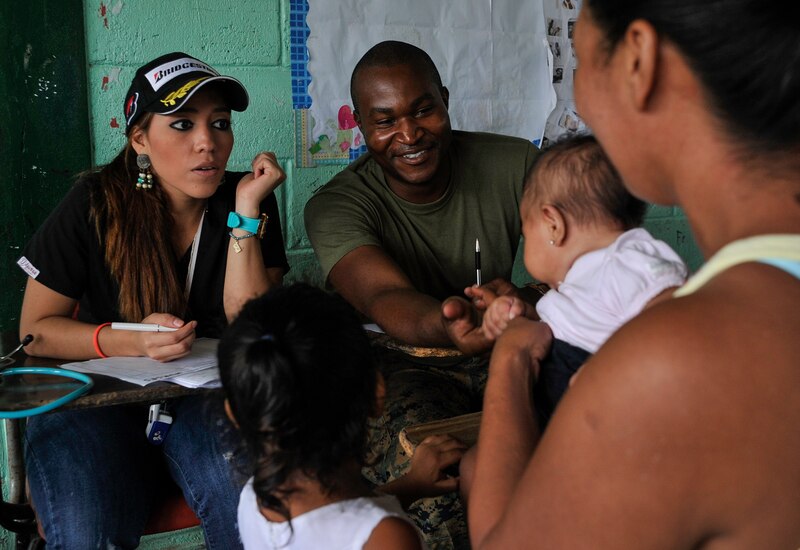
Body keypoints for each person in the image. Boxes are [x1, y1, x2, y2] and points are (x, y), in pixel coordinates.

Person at [469, 1, 800, 548]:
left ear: (639, 61)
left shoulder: (671, 365)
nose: (581, 97)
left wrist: (511, 362)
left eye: (583, 64)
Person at [16, 51, 289, 548]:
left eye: (220, 123)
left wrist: (246, 211)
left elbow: (251, 321)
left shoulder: (248, 197)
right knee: (85, 532)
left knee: (251, 516)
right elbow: (36, 331)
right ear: (140, 139)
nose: (207, 142)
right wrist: (132, 341)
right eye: (182, 124)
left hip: (203, 398)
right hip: (91, 400)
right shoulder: (93, 203)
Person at [304, 40, 539, 548]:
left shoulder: (515, 162)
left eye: (424, 110)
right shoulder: (336, 206)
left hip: (502, 343)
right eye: (385, 121)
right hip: (401, 364)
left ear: (446, 100)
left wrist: (518, 302)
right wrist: (451, 324)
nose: (409, 135)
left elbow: (573, 252)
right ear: (360, 126)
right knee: (437, 477)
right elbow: (385, 296)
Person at [218, 283, 468, 549]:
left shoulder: (256, 497)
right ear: (377, 392)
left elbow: (327, 523)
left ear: (234, 414)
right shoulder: (387, 536)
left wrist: (412, 485)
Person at [471, 133, 687, 424]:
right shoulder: (576, 286)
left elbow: (673, 314)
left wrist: (613, 369)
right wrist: (520, 317)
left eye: (526, 230)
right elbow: (575, 326)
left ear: (552, 225)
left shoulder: (623, 260)